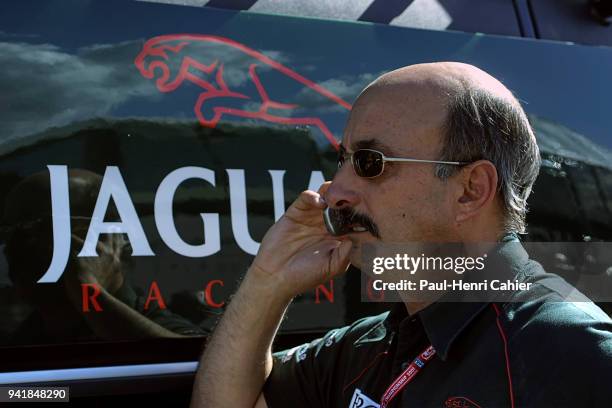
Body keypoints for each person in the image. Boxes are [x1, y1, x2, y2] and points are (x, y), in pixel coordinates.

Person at [190, 62, 612, 407]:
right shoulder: (372, 343)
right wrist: (267, 283)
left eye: (370, 162)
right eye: (342, 159)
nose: (335, 191)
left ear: (470, 190)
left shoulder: (568, 350)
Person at [2, 169, 205, 345]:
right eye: (9, 235)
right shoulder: (23, 340)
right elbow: (18, 392)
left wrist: (91, 296)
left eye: (36, 230)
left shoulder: (158, 325)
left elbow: (196, 371)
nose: (12, 250)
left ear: (108, 241)